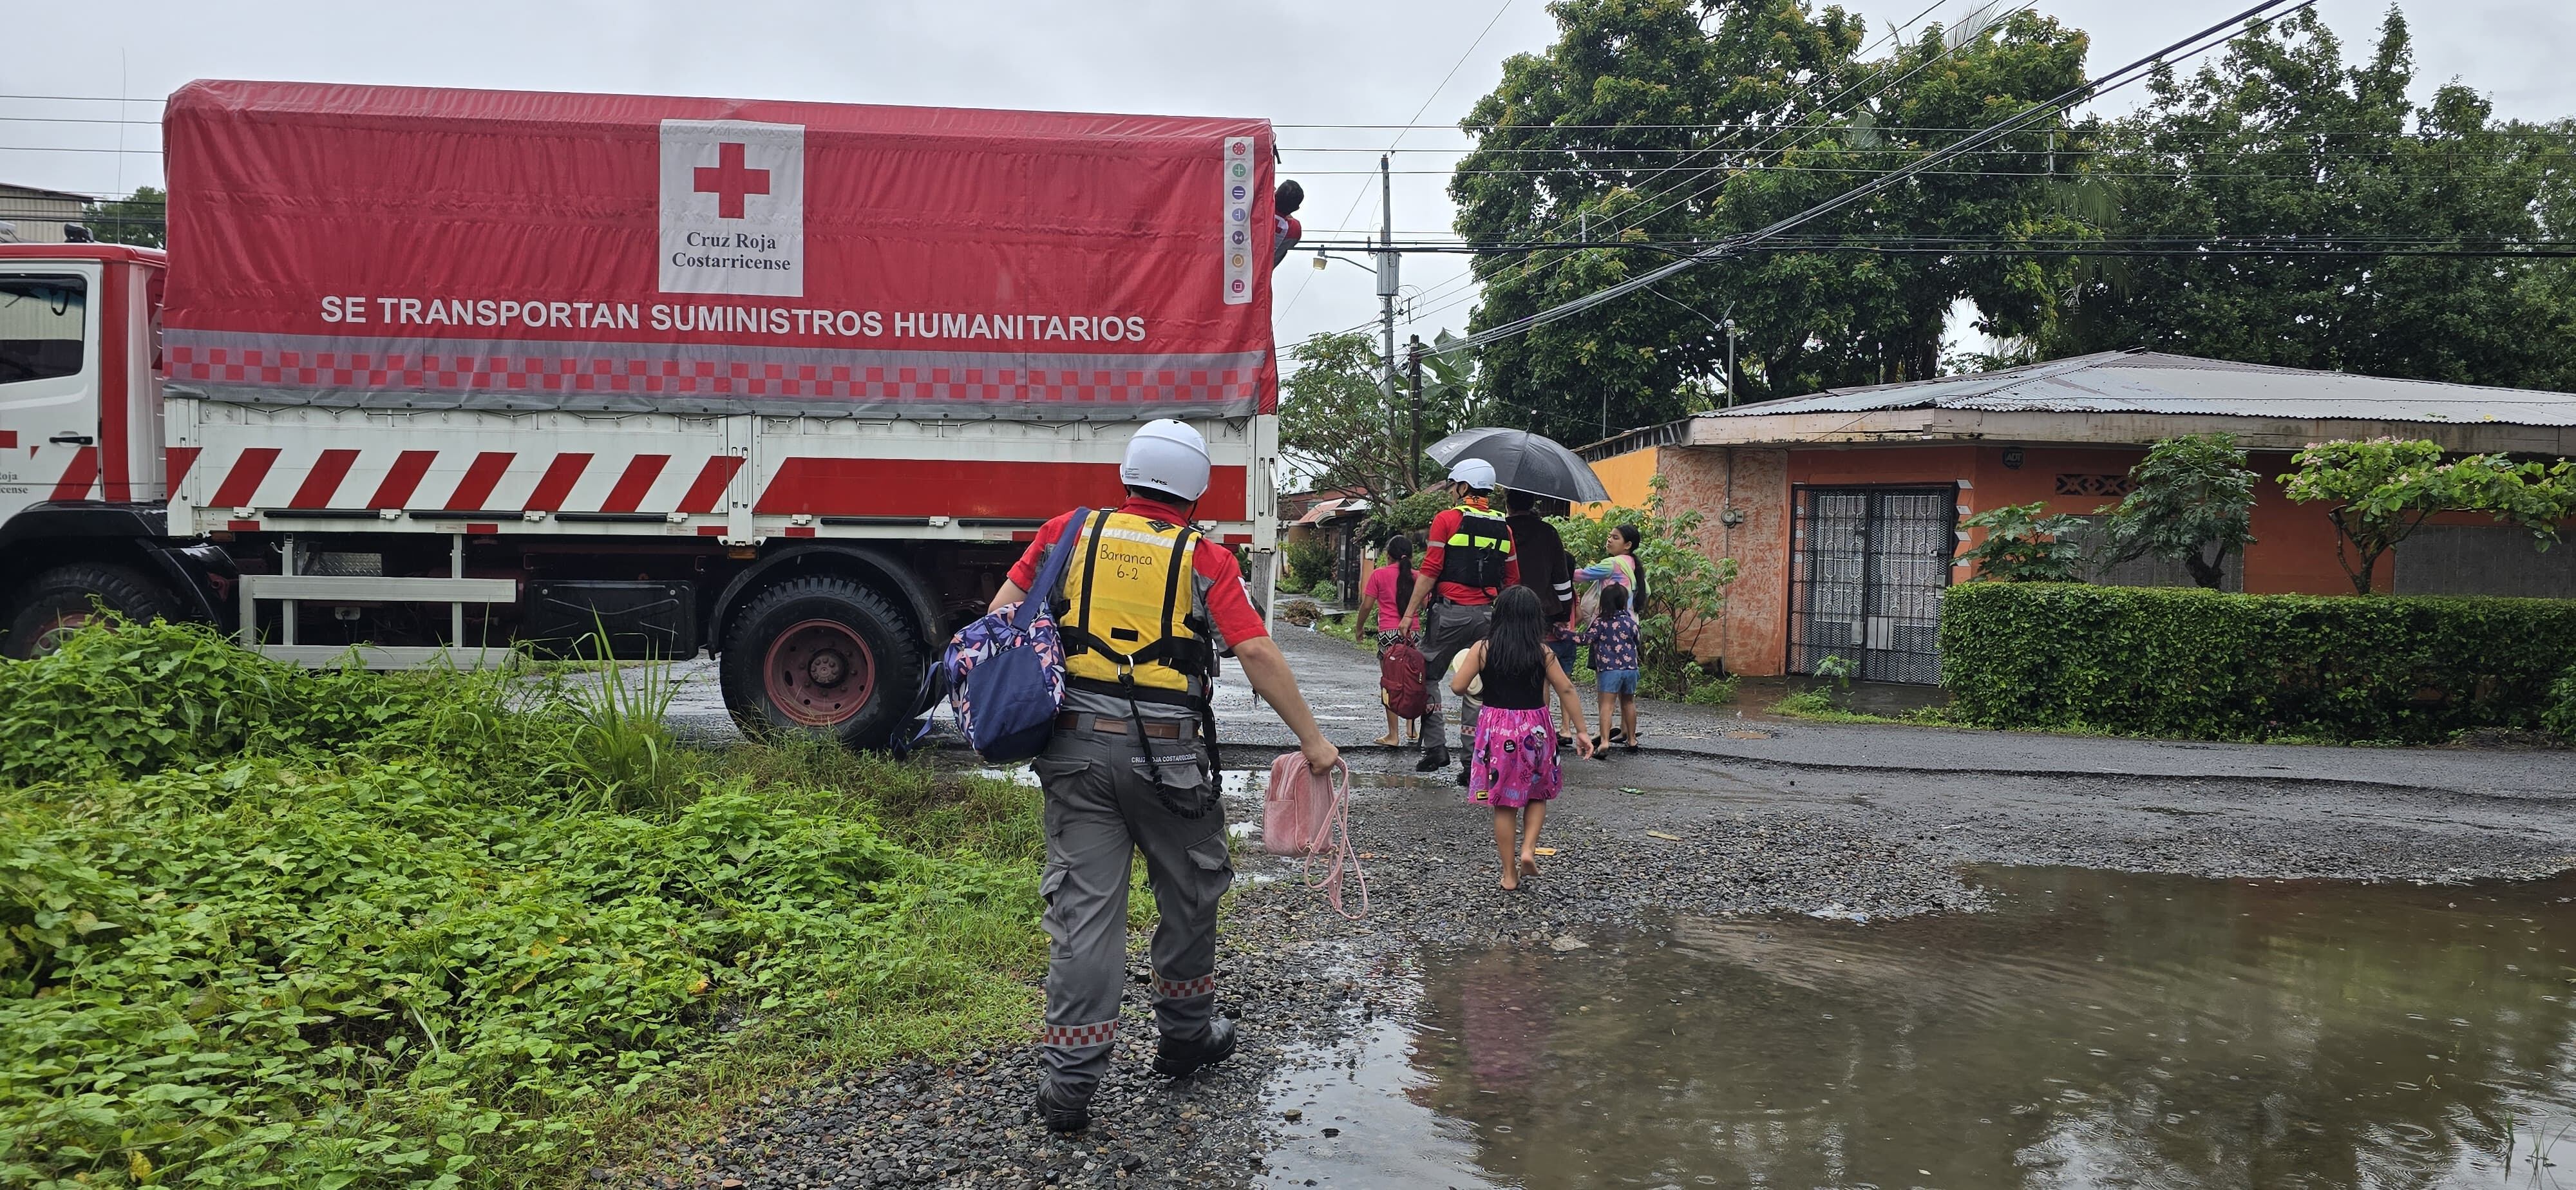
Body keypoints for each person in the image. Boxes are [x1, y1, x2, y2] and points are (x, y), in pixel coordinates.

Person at [986, 419, 1342, 1133]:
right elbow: (1256, 652)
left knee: (1085, 914)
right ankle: (1185, 1040)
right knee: (1189, 892)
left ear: (1129, 474)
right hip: (1171, 758)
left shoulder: (1068, 531)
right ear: (1194, 489)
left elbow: (1002, 618)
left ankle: (1069, 1086)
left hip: (1075, 749)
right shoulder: (1202, 556)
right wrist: (1313, 742)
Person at [1447, 585, 1593, 890]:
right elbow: (1566, 689)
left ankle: (1509, 873)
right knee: (1537, 792)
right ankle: (1528, 849)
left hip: (1497, 729)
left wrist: (1481, 686)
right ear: (1533, 619)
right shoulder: (1543, 652)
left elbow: (1458, 686)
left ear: (1499, 616)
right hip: (1536, 729)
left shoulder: (1484, 648)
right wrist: (1581, 730)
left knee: (1504, 802)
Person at [1397, 458, 1520, 779]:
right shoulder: (1504, 527)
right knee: (1477, 687)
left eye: (1453, 487)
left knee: (1426, 676)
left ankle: (1436, 748)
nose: (1452, 492)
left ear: (1464, 487)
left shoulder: (1447, 520)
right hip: (1487, 617)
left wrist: (1409, 614)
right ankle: (1472, 761)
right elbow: (1513, 580)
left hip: (1449, 614)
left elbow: (1431, 570)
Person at [1502, 489, 1577, 743]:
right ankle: (1538, 728)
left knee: (1504, 666)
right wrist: (1564, 612)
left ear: (1507, 504)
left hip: (1505, 607)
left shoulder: (1500, 529)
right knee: (1538, 671)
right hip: (1541, 611)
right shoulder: (1548, 533)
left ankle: (1506, 726)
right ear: (1533, 503)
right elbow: (1561, 577)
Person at [1573, 522, 1647, 743]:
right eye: (1609, 536)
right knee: (1627, 695)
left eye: (1615, 537)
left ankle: (1604, 734)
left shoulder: (1612, 564)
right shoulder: (1634, 565)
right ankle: (1627, 732)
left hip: (1607, 630)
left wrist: (1561, 569)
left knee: (1604, 685)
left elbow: (1581, 576)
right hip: (1630, 625)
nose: (1609, 540)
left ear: (1628, 545)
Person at [1359, 533, 1419, 746]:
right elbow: (1425, 605)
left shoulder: (1379, 575)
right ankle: (1412, 730)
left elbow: (1367, 606)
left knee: (1391, 683)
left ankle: (1393, 735)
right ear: (1410, 556)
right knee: (1412, 680)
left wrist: (1359, 628)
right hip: (1414, 634)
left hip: (1387, 635)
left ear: (1388, 555)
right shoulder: (1418, 577)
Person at [1574, 581, 1643, 757]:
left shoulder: (1601, 623)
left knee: (1607, 705)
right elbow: (1638, 639)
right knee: (1628, 702)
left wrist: (1565, 634)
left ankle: (1604, 742)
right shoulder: (1630, 621)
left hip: (1609, 669)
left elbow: (1586, 639)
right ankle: (1632, 739)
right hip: (1630, 669)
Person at [1271, 180, 1305, 267]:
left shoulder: (1257, 208)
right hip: (1259, 277)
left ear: (1275, 194)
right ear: (1296, 209)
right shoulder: (1294, 230)